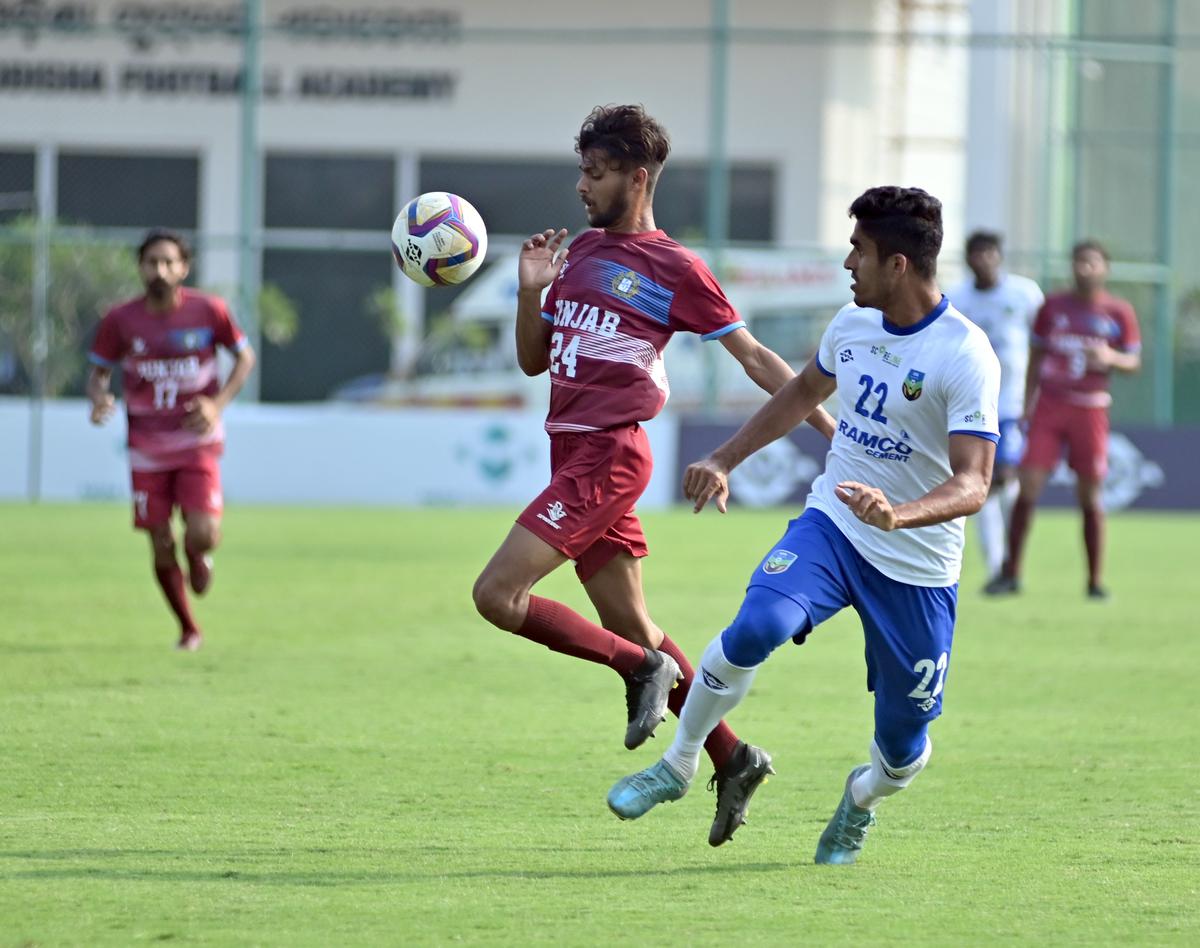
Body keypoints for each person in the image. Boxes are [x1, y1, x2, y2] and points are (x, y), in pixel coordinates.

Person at [471, 104, 835, 846]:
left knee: (498, 595)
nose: (581, 185)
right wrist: (529, 290)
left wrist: (836, 431)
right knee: (633, 623)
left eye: (595, 172)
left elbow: (758, 359)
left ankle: (640, 671)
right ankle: (733, 758)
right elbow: (533, 359)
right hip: (569, 451)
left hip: (610, 455)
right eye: (580, 170)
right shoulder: (576, 254)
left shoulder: (676, 267)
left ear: (637, 178)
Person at [606, 186, 1001, 865]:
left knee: (904, 752)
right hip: (835, 530)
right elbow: (800, 395)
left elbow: (975, 482)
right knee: (755, 627)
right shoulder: (851, 326)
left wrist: (897, 513)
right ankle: (677, 765)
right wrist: (725, 457)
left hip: (916, 566)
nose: (848, 263)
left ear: (898, 265)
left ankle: (861, 800)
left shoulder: (964, 355)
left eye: (859, 251)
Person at [87, 228, 255, 651]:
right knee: (160, 543)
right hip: (146, 450)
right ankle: (188, 628)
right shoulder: (121, 320)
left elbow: (244, 357)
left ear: (184, 267)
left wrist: (216, 405)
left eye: (168, 262)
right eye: (151, 262)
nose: (159, 270)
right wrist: (98, 398)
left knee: (203, 534)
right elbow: (99, 372)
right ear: (140, 267)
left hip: (196, 442)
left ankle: (199, 555)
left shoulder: (209, 311)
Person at [990, 240, 1141, 599]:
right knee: (1027, 487)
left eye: (1091, 262)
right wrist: (1028, 406)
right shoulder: (1053, 307)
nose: (1084, 268)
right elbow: (1035, 359)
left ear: (1105, 267)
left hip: (1091, 408)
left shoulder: (1118, 312)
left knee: (1090, 495)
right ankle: (1011, 572)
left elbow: (1133, 361)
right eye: (1078, 261)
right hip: (1050, 406)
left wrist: (1111, 357)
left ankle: (1094, 581)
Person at [948, 231, 1043, 590]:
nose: (984, 259)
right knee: (983, 482)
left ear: (999, 256)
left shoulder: (1025, 294)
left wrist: (1036, 396)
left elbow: (1040, 344)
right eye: (977, 253)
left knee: (1004, 477)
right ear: (969, 259)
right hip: (971, 404)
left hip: (1012, 404)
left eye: (990, 252)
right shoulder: (957, 298)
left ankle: (1009, 562)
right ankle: (998, 567)